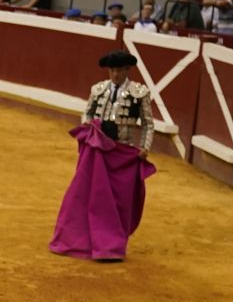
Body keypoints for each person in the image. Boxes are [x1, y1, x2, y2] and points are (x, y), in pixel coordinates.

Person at [50, 50, 156, 263]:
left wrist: (145, 147)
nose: (115, 74)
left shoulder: (140, 93)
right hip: (98, 151)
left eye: (119, 70)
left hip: (123, 152)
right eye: (112, 70)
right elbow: (87, 114)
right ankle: (86, 240)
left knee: (119, 201)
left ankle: (111, 244)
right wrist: (89, 129)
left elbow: (148, 123)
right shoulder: (98, 90)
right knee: (89, 195)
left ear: (127, 70)